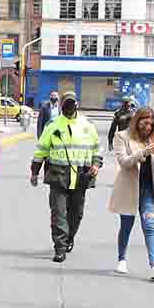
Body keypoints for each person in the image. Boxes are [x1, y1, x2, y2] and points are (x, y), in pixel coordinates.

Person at [30, 91, 102, 263]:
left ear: (77, 105)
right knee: (58, 213)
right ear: (61, 105)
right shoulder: (53, 125)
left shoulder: (87, 125)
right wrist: (34, 172)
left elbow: (96, 149)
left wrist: (96, 164)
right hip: (58, 175)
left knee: (76, 214)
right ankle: (60, 247)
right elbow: (41, 150)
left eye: (72, 104)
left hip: (81, 176)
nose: (69, 107)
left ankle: (69, 237)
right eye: (66, 104)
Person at [109, 106, 154, 281]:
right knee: (126, 226)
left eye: (151, 124)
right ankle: (122, 259)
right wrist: (144, 152)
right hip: (129, 188)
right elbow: (124, 162)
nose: (148, 127)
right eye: (145, 122)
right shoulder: (122, 136)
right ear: (137, 121)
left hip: (148, 188)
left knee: (149, 226)